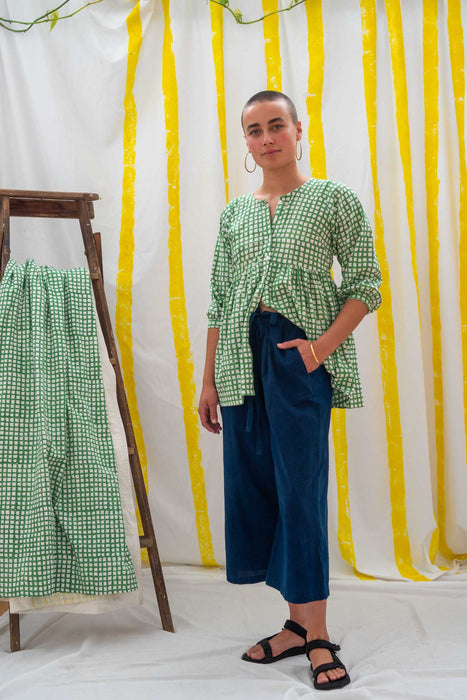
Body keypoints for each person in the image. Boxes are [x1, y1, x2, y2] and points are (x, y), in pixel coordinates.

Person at [198, 90, 382, 691]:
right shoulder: (235, 214)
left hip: (296, 357)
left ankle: (319, 634)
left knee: (301, 491)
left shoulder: (333, 199)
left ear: (298, 130)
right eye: (254, 130)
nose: (266, 138)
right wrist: (208, 379)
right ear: (246, 143)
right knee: (259, 489)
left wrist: (318, 350)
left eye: (276, 125)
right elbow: (220, 300)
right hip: (239, 361)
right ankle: (296, 625)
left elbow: (366, 284)